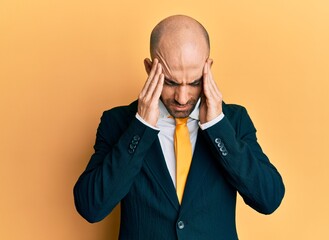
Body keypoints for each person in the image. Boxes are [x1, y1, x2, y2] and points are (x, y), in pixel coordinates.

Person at [73, 15, 285, 240]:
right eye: (170, 82)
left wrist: (217, 127)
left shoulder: (234, 120)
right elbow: (91, 207)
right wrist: (141, 126)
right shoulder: (118, 123)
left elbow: (268, 198)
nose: (182, 98)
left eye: (194, 82)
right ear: (149, 68)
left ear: (208, 68)